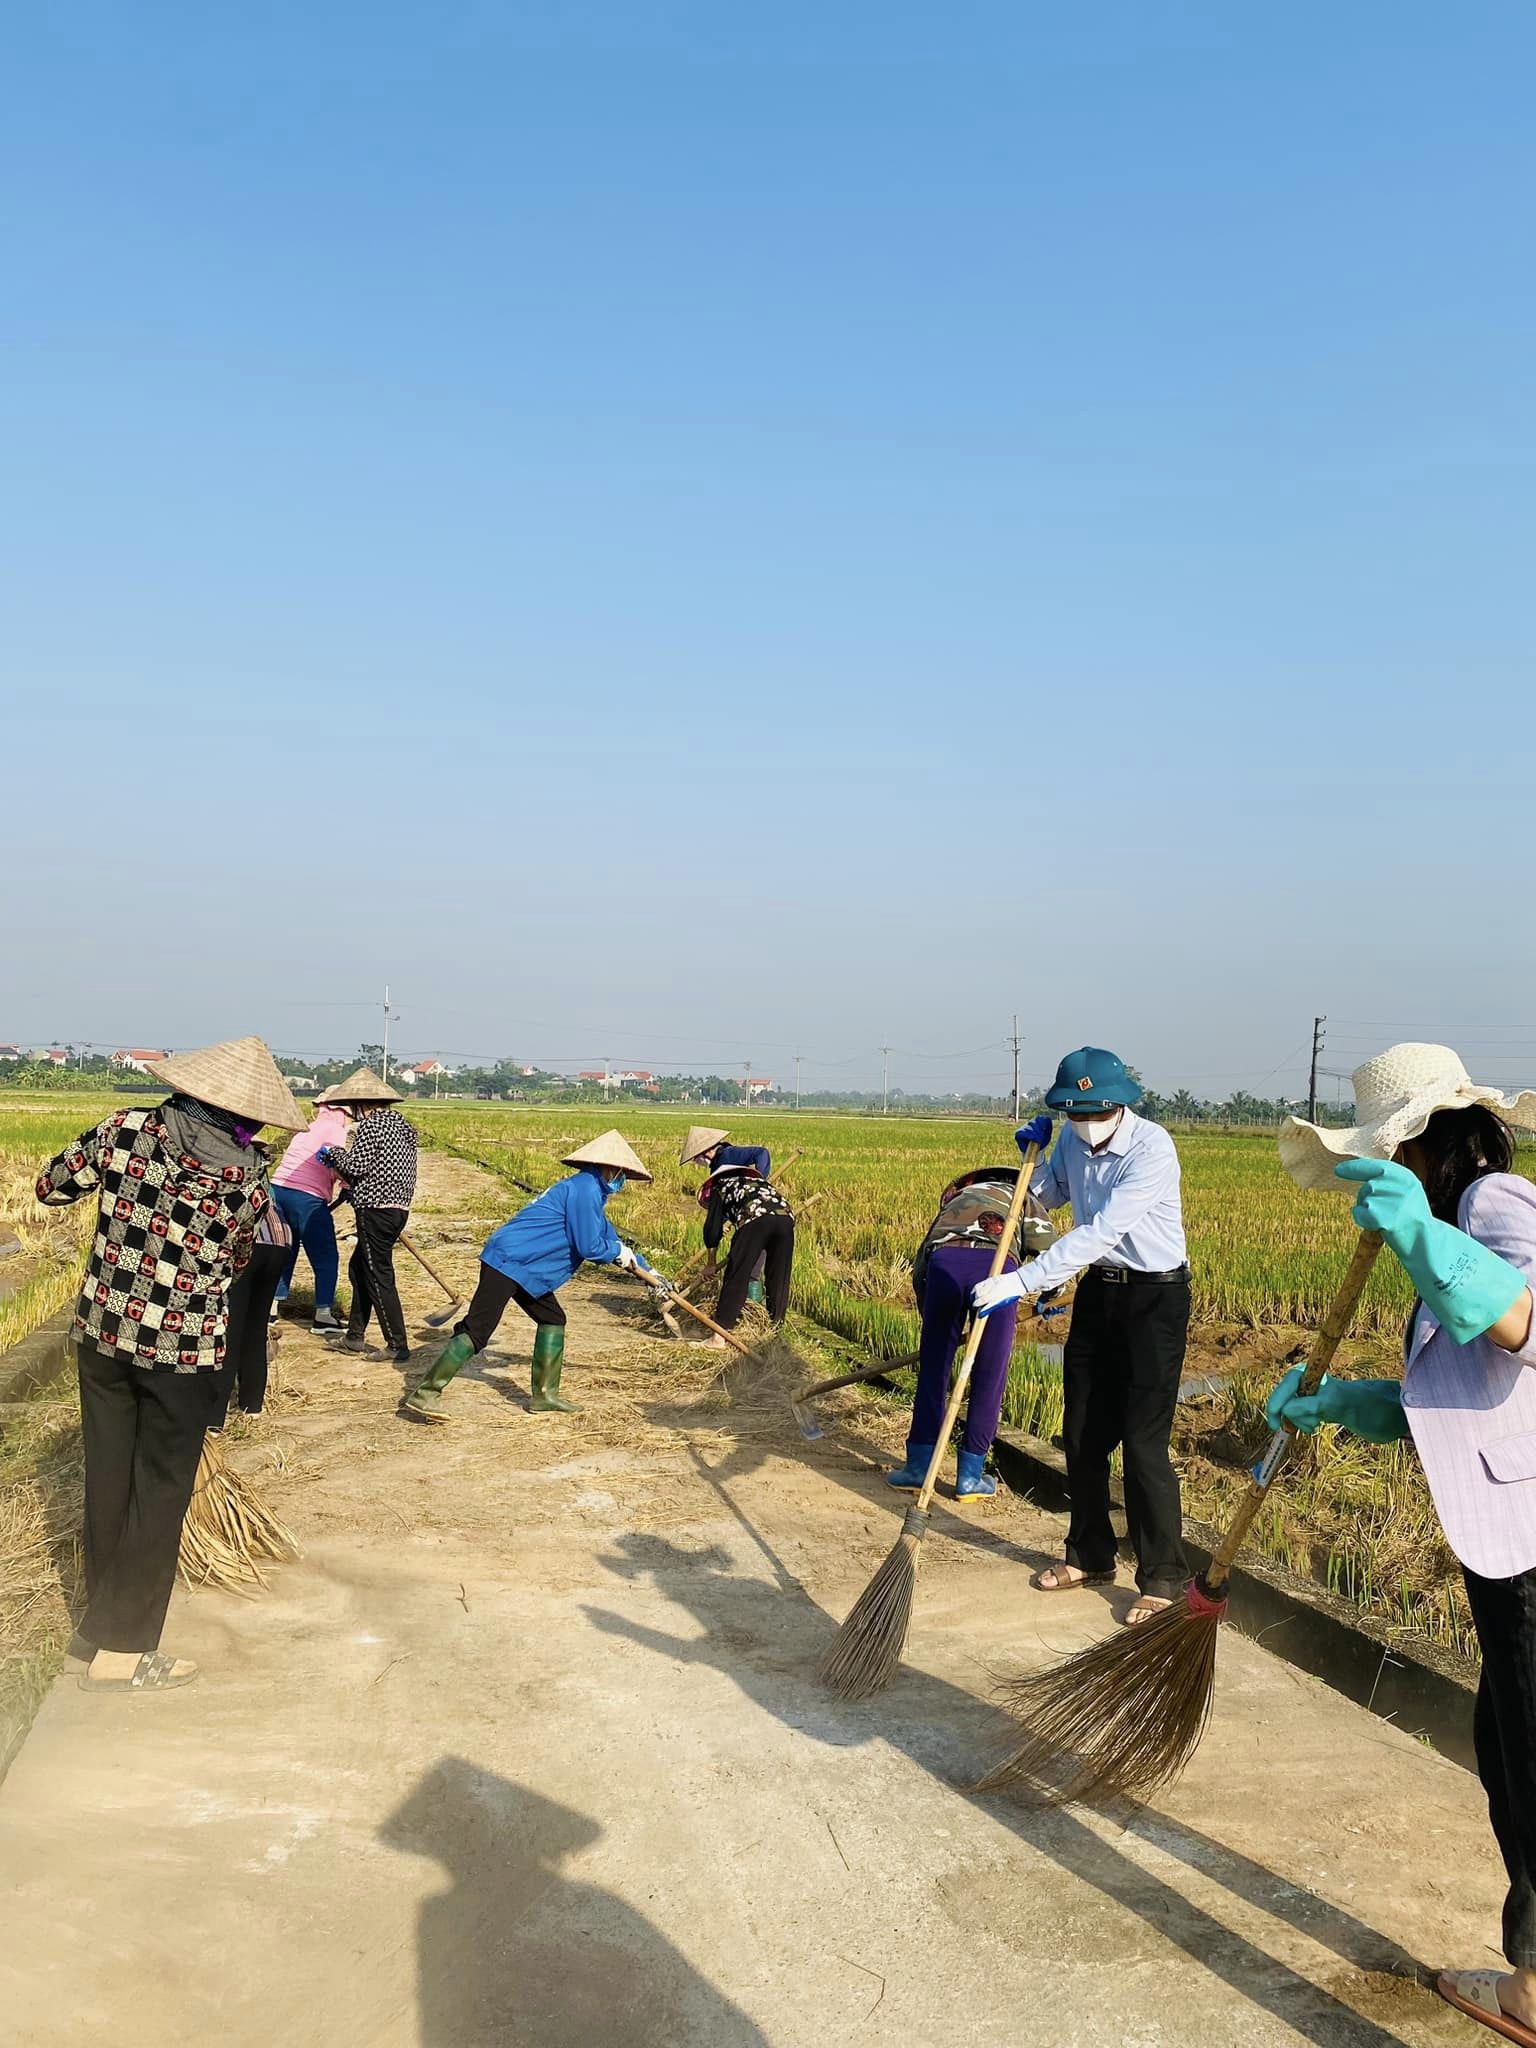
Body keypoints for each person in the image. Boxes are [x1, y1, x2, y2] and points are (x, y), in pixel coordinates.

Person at [1270, 1043, 1536, 2045]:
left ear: (1418, 1145)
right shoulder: (1459, 1220)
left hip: (1529, 1537)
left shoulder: (1499, 1208)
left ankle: (1535, 1988)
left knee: (1531, 1757)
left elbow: (1522, 1320)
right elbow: (1458, 1395)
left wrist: (1423, 1239)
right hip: (1504, 1533)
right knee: (1506, 1746)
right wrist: (1341, 1401)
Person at [35, 1037, 302, 1694]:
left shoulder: (126, 1129)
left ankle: (93, 1638)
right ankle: (124, 1653)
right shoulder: (245, 1175)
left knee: (108, 1480)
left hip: (102, 1335)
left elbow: (51, 1186)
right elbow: (237, 1260)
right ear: (246, 1113)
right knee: (159, 1494)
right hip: (180, 1353)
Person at [971, 1046, 1191, 1625]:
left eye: (1096, 1113)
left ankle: (1163, 1577)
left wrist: (1024, 1281)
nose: (1087, 1125)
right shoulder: (1070, 1137)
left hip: (1155, 1298)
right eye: (1075, 1115)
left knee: (1144, 1444)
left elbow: (1102, 1230)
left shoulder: (1152, 1149)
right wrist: (1031, 1162)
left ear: (1120, 1106)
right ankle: (1090, 1555)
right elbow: (1044, 1197)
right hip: (1101, 1292)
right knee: (1082, 1433)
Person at [405, 1130, 660, 1420]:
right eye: (622, 1172)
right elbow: (590, 1245)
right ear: (611, 1167)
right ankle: (426, 1393)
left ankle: (544, 1396)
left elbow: (608, 1236)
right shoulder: (585, 1188)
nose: (622, 1179)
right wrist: (617, 1252)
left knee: (553, 1318)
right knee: (479, 1329)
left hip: (525, 1266)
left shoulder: (591, 1192)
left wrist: (646, 1269)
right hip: (510, 1259)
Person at [887, 1165, 1054, 1502]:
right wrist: (1051, 1295)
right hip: (996, 1269)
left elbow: (921, 1269)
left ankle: (918, 1468)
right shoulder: (1022, 1196)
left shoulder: (956, 1199)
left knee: (935, 1369)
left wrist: (935, 1325)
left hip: (944, 1263)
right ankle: (970, 1477)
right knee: (989, 1373)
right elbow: (1052, 1253)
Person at [317, 1067, 418, 1364]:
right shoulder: (402, 1125)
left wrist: (333, 1154)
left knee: (378, 1275)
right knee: (360, 1267)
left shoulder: (372, 1126)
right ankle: (354, 1336)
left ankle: (397, 1344)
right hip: (397, 1208)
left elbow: (356, 1166)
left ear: (362, 1103)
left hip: (375, 1209)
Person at [268, 1095, 353, 1328]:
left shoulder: (309, 1127)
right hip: (306, 1198)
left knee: (285, 1250)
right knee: (325, 1255)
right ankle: (323, 1316)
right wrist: (347, 1185)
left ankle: (271, 1310)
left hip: (278, 1190)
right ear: (343, 1111)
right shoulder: (335, 1130)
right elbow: (334, 1161)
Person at [693, 1157, 795, 1348]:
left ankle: (718, 1337)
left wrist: (710, 1263)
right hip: (786, 1218)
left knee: (737, 1274)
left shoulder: (720, 1186)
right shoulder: (756, 1183)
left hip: (754, 1219)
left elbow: (712, 1230)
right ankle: (775, 1337)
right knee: (778, 1278)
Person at [215, 1199, 294, 1427]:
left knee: (231, 1328)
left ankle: (214, 1418)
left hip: (247, 1240)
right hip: (279, 1239)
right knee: (255, 1326)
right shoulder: (254, 1168)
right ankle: (251, 1406)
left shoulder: (217, 1166)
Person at [680, 1126, 773, 1304]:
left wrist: (762, 1179)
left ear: (706, 1150)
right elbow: (726, 1200)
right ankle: (746, 1309)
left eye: (697, 1156)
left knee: (747, 1267)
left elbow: (762, 1153)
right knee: (744, 1264)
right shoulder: (717, 1164)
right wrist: (723, 1221)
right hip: (746, 1214)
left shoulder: (728, 1155)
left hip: (756, 1214)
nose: (698, 1161)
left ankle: (750, 1312)